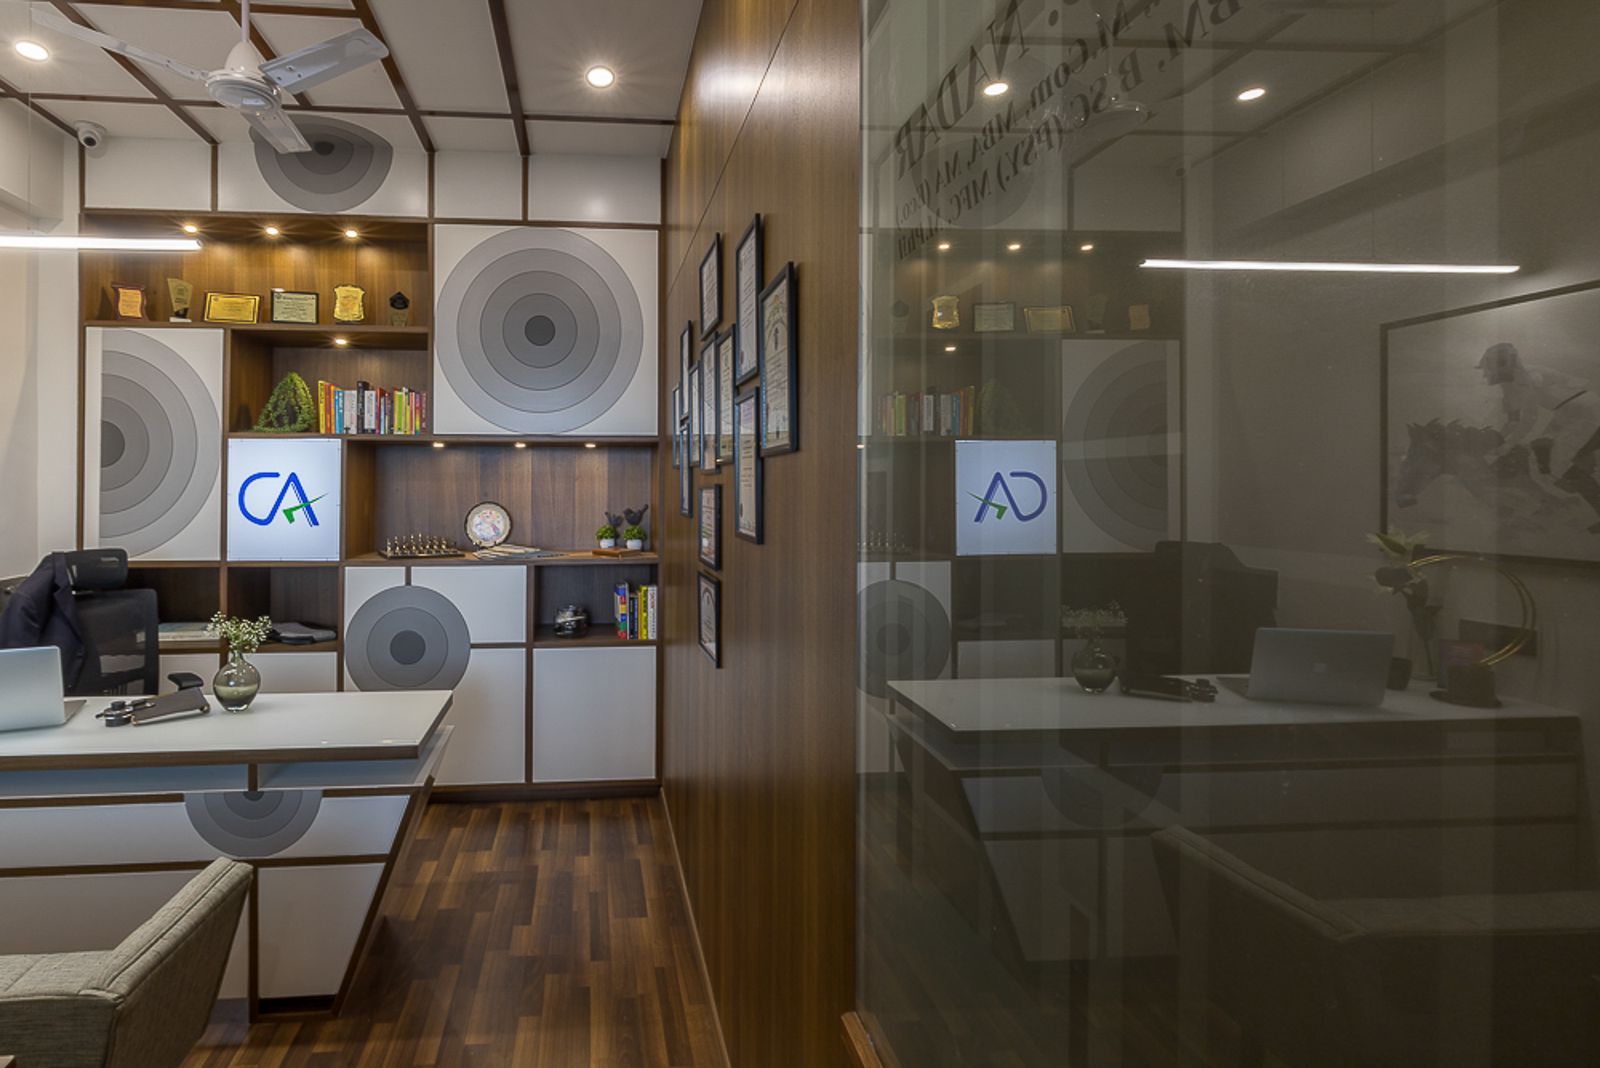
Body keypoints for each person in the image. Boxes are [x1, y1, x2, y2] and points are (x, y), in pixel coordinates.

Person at [1479, 342, 1600, 527]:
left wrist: (1508, 445)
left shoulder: (1527, 377)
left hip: (1583, 412)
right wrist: (1499, 441)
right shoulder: (1512, 384)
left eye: (1490, 368)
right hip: (1569, 413)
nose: (1487, 374)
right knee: (1540, 455)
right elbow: (1513, 421)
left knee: (1556, 463)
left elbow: (1529, 418)